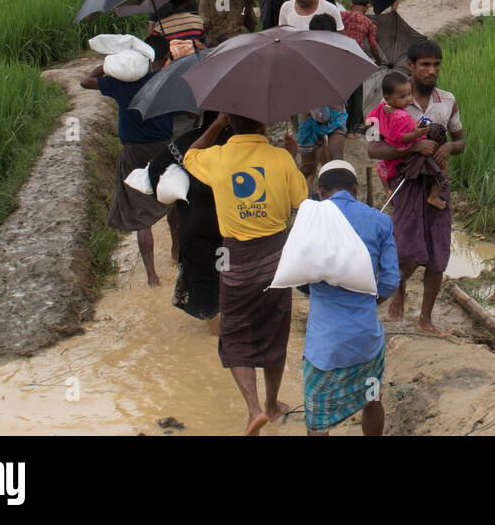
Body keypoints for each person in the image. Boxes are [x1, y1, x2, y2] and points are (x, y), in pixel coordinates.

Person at [184, 111, 309, 435]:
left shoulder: (219, 156)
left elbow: (189, 156)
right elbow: (302, 201)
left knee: (235, 331)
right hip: (275, 258)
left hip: (234, 258)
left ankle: (253, 409)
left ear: (232, 124)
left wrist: (215, 124)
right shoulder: (280, 157)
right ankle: (271, 403)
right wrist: (292, 160)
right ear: (262, 125)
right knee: (275, 330)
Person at [368, 40, 464, 336]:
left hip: (437, 183)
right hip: (406, 185)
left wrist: (447, 147)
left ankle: (425, 318)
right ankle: (384, 298)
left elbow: (460, 141)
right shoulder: (384, 107)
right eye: (425, 65)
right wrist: (412, 149)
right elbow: (373, 149)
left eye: (436, 64)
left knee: (438, 253)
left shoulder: (447, 101)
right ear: (410, 65)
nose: (431, 70)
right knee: (406, 252)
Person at [301, 160, 399, 436]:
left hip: (325, 346)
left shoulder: (310, 221)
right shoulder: (381, 221)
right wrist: (367, 300)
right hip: (365, 340)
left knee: (317, 419)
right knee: (372, 398)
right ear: (356, 189)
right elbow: (390, 281)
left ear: (320, 190)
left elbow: (297, 271)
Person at [79, 34, 177, 287]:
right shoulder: (164, 81)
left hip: (134, 151)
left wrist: (107, 65)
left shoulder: (120, 84)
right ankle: (177, 251)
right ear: (162, 57)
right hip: (164, 149)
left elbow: (85, 81)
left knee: (139, 211)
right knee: (173, 200)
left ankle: (152, 276)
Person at [147, 111, 228, 334]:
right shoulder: (238, 142)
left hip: (196, 227)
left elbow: (154, 172)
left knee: (204, 281)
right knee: (230, 277)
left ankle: (215, 333)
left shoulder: (184, 143)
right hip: (233, 227)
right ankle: (228, 331)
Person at [369, 71, 448, 208]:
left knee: (380, 166)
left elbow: (370, 119)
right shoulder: (401, 116)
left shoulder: (380, 109)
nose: (409, 99)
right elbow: (399, 137)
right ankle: (434, 196)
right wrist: (417, 134)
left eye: (409, 94)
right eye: (403, 96)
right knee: (443, 165)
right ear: (388, 98)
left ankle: (389, 190)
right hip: (406, 149)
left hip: (388, 154)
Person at [295, 15, 349, 172]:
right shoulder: (341, 53)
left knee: (309, 163)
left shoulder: (304, 54)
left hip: (310, 107)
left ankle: (308, 190)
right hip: (331, 105)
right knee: (335, 156)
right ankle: (335, 182)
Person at [340, 0, 383, 137]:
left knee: (342, 92)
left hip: (338, 57)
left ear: (351, 4)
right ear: (368, 6)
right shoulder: (369, 23)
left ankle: (339, 125)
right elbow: (372, 45)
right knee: (356, 94)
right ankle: (352, 129)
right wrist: (378, 60)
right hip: (356, 60)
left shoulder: (341, 16)